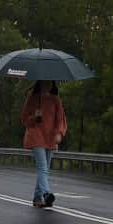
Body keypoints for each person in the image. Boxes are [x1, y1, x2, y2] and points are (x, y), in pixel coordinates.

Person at [21, 80, 67, 208]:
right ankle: (46, 194)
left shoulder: (55, 99)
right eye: (45, 83)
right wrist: (34, 118)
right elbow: (24, 119)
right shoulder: (32, 98)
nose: (47, 85)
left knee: (45, 169)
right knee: (43, 167)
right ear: (40, 83)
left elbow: (61, 119)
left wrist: (59, 133)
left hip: (51, 137)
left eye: (50, 83)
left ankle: (37, 198)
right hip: (36, 136)